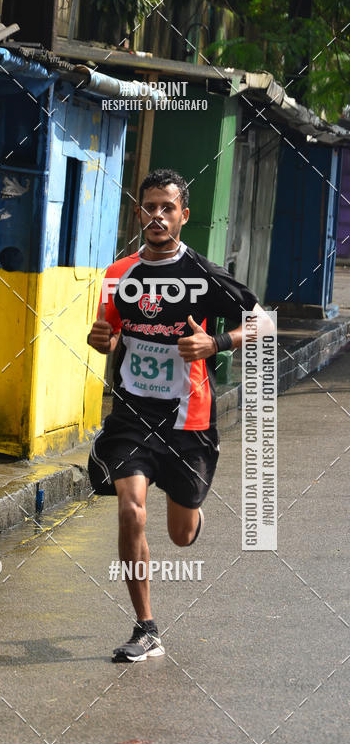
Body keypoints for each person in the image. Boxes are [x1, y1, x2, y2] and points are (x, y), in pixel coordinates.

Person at [87, 168, 272, 662]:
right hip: (131, 414)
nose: (158, 216)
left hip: (188, 420)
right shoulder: (117, 274)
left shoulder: (203, 275)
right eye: (150, 207)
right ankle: (145, 627)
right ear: (139, 212)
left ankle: (190, 508)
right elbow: (107, 330)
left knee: (181, 534)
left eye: (168, 208)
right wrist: (100, 336)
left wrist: (217, 341)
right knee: (130, 510)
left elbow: (263, 320)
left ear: (184, 216)